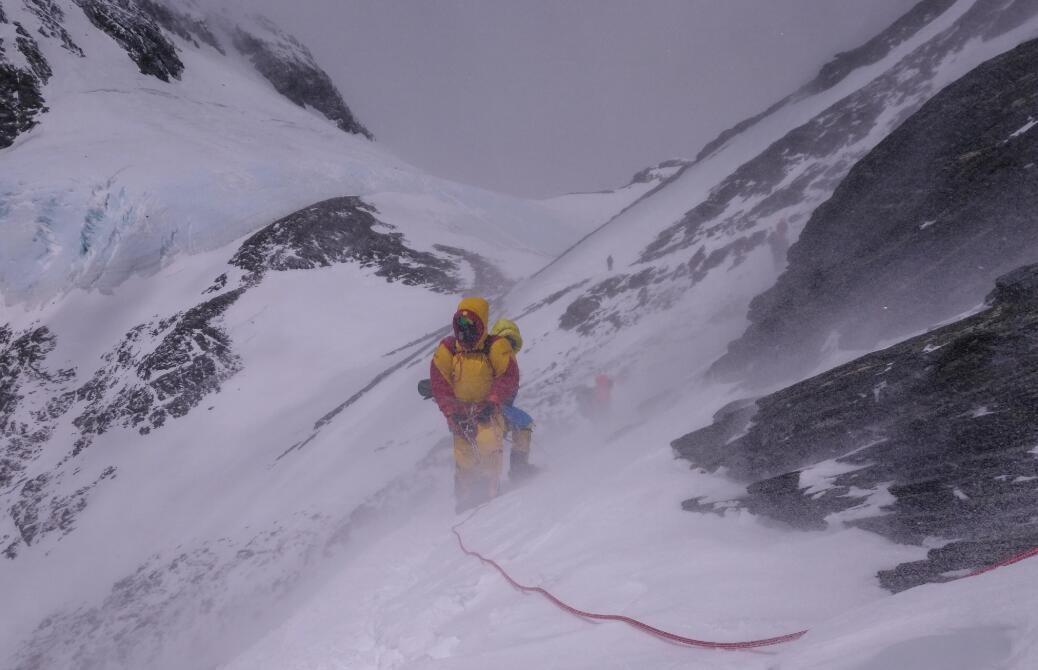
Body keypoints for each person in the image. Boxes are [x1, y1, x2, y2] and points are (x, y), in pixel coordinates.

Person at [430, 297, 518, 512]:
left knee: (489, 444)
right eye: (460, 326)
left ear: (482, 324)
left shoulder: (495, 346)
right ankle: (465, 498)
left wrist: (493, 401)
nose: (464, 332)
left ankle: (489, 490)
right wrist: (452, 412)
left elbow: (508, 376)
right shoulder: (449, 350)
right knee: (463, 454)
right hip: (460, 412)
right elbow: (440, 382)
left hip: (487, 409)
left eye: (470, 326)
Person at [489, 318, 536, 481]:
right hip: (495, 406)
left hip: (491, 405)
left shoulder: (490, 354)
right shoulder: (506, 357)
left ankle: (489, 479)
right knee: (524, 423)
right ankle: (519, 469)